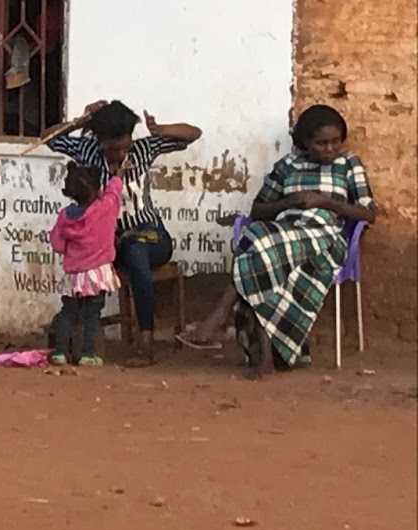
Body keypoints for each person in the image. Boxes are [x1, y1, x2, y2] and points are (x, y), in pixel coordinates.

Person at [178, 105, 376, 376]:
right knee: (262, 256)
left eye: (334, 142)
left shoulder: (349, 164)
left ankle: (221, 315)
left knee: (259, 247)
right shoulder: (287, 166)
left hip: (325, 238)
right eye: (321, 143)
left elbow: (368, 213)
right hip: (282, 235)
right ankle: (266, 359)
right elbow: (258, 210)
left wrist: (325, 202)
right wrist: (288, 202)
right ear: (305, 142)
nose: (329, 149)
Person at [46, 99, 202, 367]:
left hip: (153, 239)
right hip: (109, 246)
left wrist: (159, 128)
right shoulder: (86, 150)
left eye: (124, 147)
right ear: (99, 140)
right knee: (119, 251)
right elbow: (48, 138)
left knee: (136, 250)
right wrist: (81, 121)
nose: (120, 154)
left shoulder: (144, 149)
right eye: (113, 149)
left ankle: (145, 340)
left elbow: (193, 133)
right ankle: (85, 342)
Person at [46, 165, 124, 367]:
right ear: (97, 190)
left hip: (74, 274)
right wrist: (118, 176)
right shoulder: (104, 209)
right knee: (92, 314)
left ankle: (60, 353)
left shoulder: (65, 217)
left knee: (68, 313)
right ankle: (88, 354)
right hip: (97, 273)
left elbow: (57, 244)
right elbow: (114, 195)